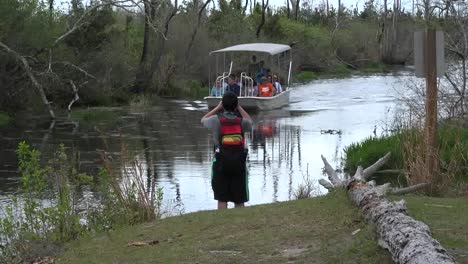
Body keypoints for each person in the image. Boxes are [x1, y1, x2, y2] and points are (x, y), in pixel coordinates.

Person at [201, 92, 252, 209]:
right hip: (239, 162)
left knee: (222, 198)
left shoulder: (215, 120)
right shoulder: (242, 122)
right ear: (236, 106)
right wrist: (239, 107)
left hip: (220, 162)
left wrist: (217, 108)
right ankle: (241, 223)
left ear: (223, 105)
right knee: (239, 198)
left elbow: (203, 120)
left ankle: (222, 222)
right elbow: (250, 121)